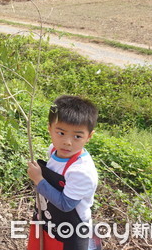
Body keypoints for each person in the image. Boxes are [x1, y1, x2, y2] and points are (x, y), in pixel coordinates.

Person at [27, 95, 99, 250]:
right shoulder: (53, 150)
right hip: (50, 222)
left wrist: (39, 180)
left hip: (71, 232)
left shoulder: (81, 171)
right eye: (61, 133)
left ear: (89, 136)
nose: (67, 142)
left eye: (77, 136)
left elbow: (66, 204)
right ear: (50, 128)